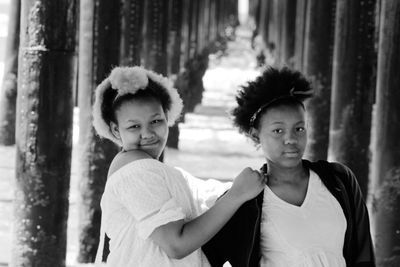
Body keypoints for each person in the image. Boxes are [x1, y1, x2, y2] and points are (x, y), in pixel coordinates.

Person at [91, 66, 265, 267]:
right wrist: (236, 195)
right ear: (115, 129)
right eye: (134, 126)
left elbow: (203, 194)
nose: (147, 133)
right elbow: (176, 245)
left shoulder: (157, 172)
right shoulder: (135, 170)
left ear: (167, 117)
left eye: (156, 121)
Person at [203, 66, 375, 267]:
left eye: (299, 129)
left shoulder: (339, 180)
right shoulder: (247, 200)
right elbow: (201, 255)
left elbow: (363, 255)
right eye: (278, 130)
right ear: (255, 135)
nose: (291, 139)